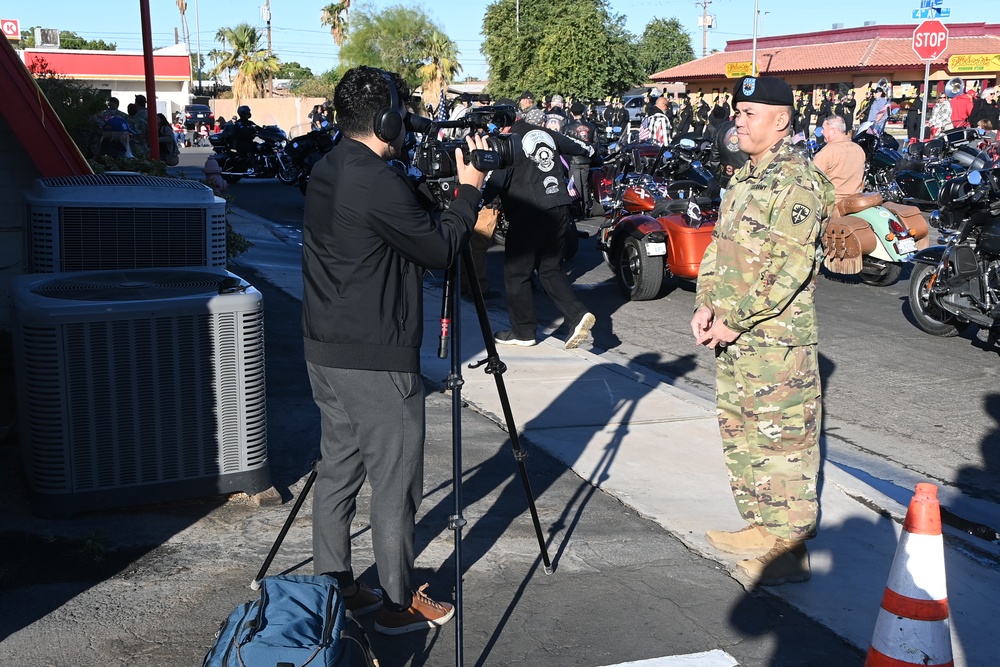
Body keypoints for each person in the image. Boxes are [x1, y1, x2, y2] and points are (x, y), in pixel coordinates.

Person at [302, 65, 487, 635]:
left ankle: (337, 584)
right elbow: (437, 247)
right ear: (385, 119)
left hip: (324, 348)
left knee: (338, 470)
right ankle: (397, 602)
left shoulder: (330, 166)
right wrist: (468, 195)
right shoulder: (375, 180)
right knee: (396, 482)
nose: (406, 122)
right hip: (375, 356)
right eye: (401, 113)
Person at [690, 75, 834, 586]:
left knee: (785, 445)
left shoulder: (797, 180)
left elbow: (788, 266)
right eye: (739, 111)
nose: (739, 120)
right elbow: (719, 245)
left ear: (781, 120)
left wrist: (736, 319)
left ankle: (789, 550)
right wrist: (707, 304)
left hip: (777, 342)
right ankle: (759, 525)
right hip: (736, 335)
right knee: (744, 433)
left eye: (750, 113)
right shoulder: (747, 177)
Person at [488, 99, 597, 349]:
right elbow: (583, 148)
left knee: (517, 274)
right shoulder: (545, 132)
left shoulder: (506, 141)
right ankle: (577, 315)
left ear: (500, 121)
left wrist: (474, 201)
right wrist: (594, 153)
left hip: (529, 212)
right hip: (559, 207)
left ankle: (523, 332)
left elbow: (496, 180)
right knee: (550, 269)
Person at [812, 114, 866, 206]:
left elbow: (813, 182)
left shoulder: (826, 153)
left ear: (833, 131)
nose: (821, 132)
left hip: (833, 207)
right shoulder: (859, 149)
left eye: (824, 129)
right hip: (854, 203)